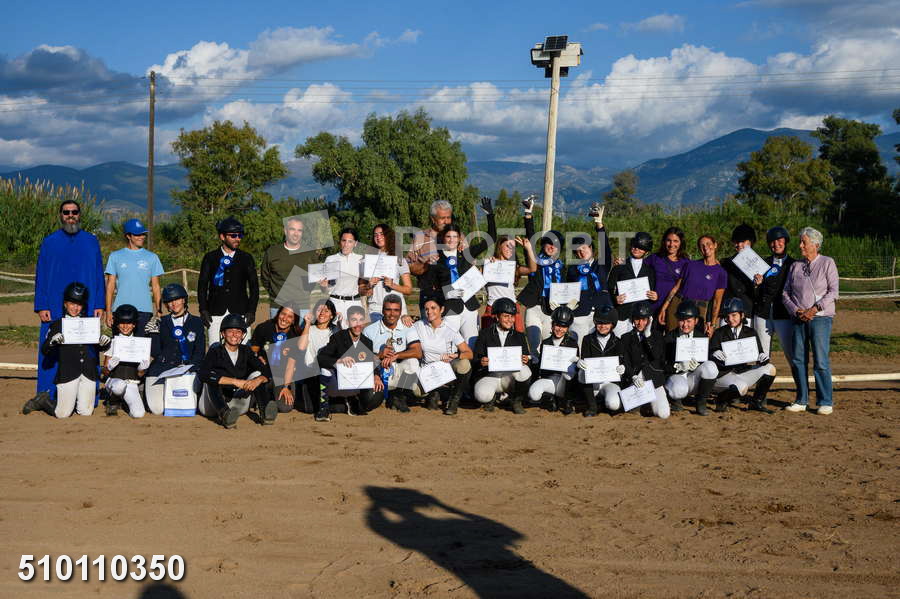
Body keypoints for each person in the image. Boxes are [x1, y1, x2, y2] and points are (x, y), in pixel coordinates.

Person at [31, 199, 105, 408]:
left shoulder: (91, 241)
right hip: (55, 306)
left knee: (89, 349)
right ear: (60, 215)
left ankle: (88, 396)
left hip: (86, 306)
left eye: (74, 212)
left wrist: (99, 303)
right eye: (66, 212)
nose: (70, 216)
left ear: (80, 214)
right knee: (52, 347)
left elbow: (98, 274)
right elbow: (41, 275)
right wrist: (42, 305)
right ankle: (46, 393)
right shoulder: (49, 242)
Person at [24, 282, 111, 418]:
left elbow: (98, 346)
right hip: (68, 372)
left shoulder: (90, 324)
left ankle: (75, 400)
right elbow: (44, 350)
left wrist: (104, 343)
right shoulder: (58, 324)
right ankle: (43, 400)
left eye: (79, 304)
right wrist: (52, 342)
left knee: (86, 412)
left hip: (88, 372)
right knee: (63, 414)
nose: (75, 308)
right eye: (72, 304)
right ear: (65, 304)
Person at [782, 227, 838, 415]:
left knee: (820, 360)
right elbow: (785, 293)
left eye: (804, 242)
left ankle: (825, 401)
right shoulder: (795, 266)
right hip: (798, 319)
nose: (800, 245)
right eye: (801, 242)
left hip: (821, 318)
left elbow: (833, 291)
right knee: (798, 359)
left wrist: (814, 309)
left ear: (815, 245)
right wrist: (796, 310)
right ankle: (801, 399)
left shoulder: (828, 263)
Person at [198, 313, 276, 428]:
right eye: (230, 331)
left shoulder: (246, 351)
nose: (234, 335)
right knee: (212, 377)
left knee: (258, 374)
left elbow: (266, 370)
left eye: (238, 331)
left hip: (237, 403)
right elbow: (203, 374)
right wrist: (234, 381)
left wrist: (258, 380)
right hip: (212, 405)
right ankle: (224, 414)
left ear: (243, 335)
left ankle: (265, 412)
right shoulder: (215, 351)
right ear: (223, 333)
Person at [197, 217, 259, 345]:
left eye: (240, 235)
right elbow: (202, 286)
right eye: (233, 235)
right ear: (222, 236)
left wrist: (251, 311)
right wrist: (203, 309)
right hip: (215, 313)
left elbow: (254, 287)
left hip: (241, 312)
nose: (238, 239)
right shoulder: (210, 258)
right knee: (215, 349)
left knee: (243, 350)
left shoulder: (246, 258)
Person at [145, 283, 205, 415]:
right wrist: (153, 334)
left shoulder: (197, 322)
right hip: (162, 369)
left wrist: (190, 368)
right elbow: (156, 353)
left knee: (189, 404)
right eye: (169, 301)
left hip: (188, 369)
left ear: (184, 299)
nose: (173, 304)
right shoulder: (161, 322)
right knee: (157, 409)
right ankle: (143, 388)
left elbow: (200, 351)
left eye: (177, 299)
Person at [709, 298, 777, 414]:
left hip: (742, 371)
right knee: (742, 388)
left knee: (770, 369)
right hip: (724, 375)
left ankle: (756, 402)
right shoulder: (719, 333)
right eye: (728, 316)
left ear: (742, 315)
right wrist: (713, 353)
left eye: (734, 315)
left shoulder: (751, 332)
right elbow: (709, 358)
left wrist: (763, 358)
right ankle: (721, 400)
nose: (730, 319)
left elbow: (759, 354)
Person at [316, 305, 383, 419]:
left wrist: (376, 375)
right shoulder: (337, 338)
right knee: (324, 370)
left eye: (360, 320)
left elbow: (372, 362)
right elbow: (321, 358)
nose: (357, 324)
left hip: (355, 384)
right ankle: (324, 407)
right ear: (347, 322)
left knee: (376, 393)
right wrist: (339, 361)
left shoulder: (367, 342)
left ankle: (352, 401)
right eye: (354, 320)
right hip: (337, 382)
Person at [519, 196, 565, 361]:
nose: (552, 247)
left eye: (555, 245)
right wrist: (528, 214)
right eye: (549, 243)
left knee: (548, 346)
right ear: (544, 244)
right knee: (534, 345)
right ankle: (533, 371)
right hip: (535, 306)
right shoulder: (535, 259)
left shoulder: (562, 266)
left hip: (552, 309)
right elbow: (530, 239)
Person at [411, 296, 473, 415]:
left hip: (446, 370)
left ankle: (454, 400)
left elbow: (469, 353)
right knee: (415, 391)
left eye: (433, 308)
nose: (429, 311)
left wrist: (456, 355)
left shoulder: (450, 328)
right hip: (427, 371)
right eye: (426, 309)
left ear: (442, 309)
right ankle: (434, 392)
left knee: (464, 364)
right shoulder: (418, 325)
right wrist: (404, 317)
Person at [363, 294, 423, 413]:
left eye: (396, 310)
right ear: (382, 310)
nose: (392, 314)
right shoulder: (369, 330)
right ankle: (385, 395)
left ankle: (398, 396)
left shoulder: (408, 327)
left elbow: (417, 352)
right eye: (388, 310)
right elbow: (363, 359)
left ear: (400, 312)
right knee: (371, 401)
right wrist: (380, 356)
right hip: (378, 373)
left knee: (413, 362)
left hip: (398, 370)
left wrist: (396, 355)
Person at [471, 297, 532, 414]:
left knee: (525, 371)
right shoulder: (485, 334)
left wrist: (526, 360)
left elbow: (528, 358)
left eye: (512, 316)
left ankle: (516, 400)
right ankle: (492, 398)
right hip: (490, 375)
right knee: (482, 395)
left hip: (508, 378)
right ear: (497, 317)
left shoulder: (519, 336)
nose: (510, 320)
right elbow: (475, 359)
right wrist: (481, 361)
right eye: (506, 316)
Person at [104, 217, 164, 335]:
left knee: (142, 345)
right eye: (137, 234)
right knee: (120, 345)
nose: (141, 237)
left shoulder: (152, 257)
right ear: (128, 236)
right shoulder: (115, 256)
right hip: (120, 310)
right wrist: (109, 311)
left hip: (144, 311)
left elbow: (156, 287)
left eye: (143, 234)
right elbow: (110, 286)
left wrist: (159, 310)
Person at [659, 235, 727, 336]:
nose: (705, 247)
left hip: (700, 310)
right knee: (672, 339)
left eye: (708, 244)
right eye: (702, 245)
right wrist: (664, 308)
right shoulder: (690, 265)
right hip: (678, 305)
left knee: (697, 342)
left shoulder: (721, 272)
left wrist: (712, 325)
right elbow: (676, 288)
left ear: (715, 245)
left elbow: (717, 302)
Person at [282, 299, 340, 418]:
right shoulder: (309, 329)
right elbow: (301, 347)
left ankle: (332, 404)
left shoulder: (335, 331)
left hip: (330, 374)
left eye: (326, 311)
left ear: (332, 315)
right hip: (311, 373)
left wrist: (340, 325)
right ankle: (331, 405)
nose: (322, 313)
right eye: (319, 310)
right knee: (308, 409)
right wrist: (307, 324)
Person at [565, 203, 614, 341]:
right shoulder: (573, 269)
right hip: (580, 314)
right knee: (580, 347)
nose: (582, 252)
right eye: (578, 251)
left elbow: (605, 247)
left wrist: (599, 224)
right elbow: (568, 289)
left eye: (584, 248)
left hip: (601, 313)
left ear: (591, 248)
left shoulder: (602, 264)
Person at [663, 300, 719, 416]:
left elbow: (705, 360)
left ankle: (701, 401)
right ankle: (675, 400)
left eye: (689, 321)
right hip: (676, 377)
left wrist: (699, 363)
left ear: (696, 321)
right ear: (677, 320)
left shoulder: (701, 338)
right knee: (678, 390)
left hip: (693, 378)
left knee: (711, 366)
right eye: (682, 320)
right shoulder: (669, 338)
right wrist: (677, 366)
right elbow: (662, 365)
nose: (685, 325)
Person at [619, 301, 670, 419]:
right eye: (637, 319)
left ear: (649, 319)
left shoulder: (658, 336)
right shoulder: (625, 338)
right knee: (631, 411)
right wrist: (632, 376)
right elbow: (625, 361)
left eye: (644, 319)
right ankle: (642, 404)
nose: (640, 323)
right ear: (632, 319)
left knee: (663, 414)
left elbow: (657, 356)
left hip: (654, 379)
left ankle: (650, 402)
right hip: (636, 379)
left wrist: (648, 336)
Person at [578, 305, 630, 417]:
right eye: (599, 323)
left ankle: (603, 403)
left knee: (613, 404)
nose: (602, 326)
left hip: (609, 382)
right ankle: (592, 406)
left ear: (612, 325)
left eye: (606, 323)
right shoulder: (587, 339)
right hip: (593, 383)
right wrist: (581, 363)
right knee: (582, 373)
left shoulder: (618, 342)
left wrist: (622, 367)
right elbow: (586, 358)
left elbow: (622, 361)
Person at [260, 215, 318, 318]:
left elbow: (314, 278)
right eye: (292, 229)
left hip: (302, 307)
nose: (296, 233)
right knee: (277, 330)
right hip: (278, 306)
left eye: (299, 230)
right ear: (285, 231)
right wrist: (275, 293)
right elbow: (265, 277)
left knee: (302, 330)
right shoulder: (272, 252)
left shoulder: (310, 253)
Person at [249, 305, 301, 414]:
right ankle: (265, 395)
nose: (284, 318)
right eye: (283, 314)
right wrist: (257, 358)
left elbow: (290, 366)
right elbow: (252, 352)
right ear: (278, 314)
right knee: (249, 401)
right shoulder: (264, 327)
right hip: (263, 371)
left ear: (293, 321)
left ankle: (270, 396)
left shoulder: (295, 335)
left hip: (282, 375)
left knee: (286, 407)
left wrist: (286, 387)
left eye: (290, 316)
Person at [755, 226, 796, 361]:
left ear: (786, 241)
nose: (776, 244)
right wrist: (757, 284)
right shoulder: (763, 263)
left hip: (784, 314)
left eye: (779, 240)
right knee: (762, 356)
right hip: (763, 313)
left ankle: (798, 375)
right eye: (772, 241)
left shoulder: (794, 264)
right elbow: (755, 291)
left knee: (791, 353)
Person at [102, 304, 152, 418]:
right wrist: (109, 367)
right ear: (117, 324)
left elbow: (140, 375)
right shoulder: (113, 342)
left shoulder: (140, 344)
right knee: (119, 386)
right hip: (114, 381)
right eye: (122, 323)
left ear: (134, 324)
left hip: (131, 382)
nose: (125, 326)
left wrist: (142, 369)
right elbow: (104, 371)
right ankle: (113, 402)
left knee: (138, 414)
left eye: (129, 323)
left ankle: (124, 402)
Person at [527, 306, 579, 413]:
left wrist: (576, 362)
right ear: (552, 324)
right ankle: (549, 397)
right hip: (549, 379)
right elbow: (542, 368)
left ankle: (567, 400)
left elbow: (574, 373)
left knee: (569, 372)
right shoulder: (545, 343)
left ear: (568, 328)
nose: (560, 329)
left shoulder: (573, 344)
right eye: (558, 325)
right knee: (533, 394)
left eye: (564, 327)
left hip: (564, 381)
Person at [608, 232, 658, 337]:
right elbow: (609, 289)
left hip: (641, 316)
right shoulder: (619, 267)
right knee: (620, 341)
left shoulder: (650, 271)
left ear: (646, 251)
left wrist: (655, 297)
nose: (636, 249)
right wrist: (615, 299)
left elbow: (652, 291)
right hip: (622, 314)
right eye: (635, 245)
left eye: (641, 247)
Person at [364, 223, 415, 324]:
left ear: (388, 236)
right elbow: (365, 291)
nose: (378, 237)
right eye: (375, 235)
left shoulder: (399, 258)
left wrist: (393, 285)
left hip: (395, 308)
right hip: (375, 309)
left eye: (381, 234)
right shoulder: (369, 258)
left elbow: (409, 290)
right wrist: (369, 285)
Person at [320, 227, 365, 327]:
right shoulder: (330, 259)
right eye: (344, 240)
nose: (346, 244)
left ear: (355, 243)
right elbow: (325, 288)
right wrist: (323, 286)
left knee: (354, 334)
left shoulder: (361, 259)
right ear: (340, 242)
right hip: (335, 303)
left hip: (354, 303)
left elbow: (365, 284)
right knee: (335, 334)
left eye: (350, 241)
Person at [646, 227, 690, 327]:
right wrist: (621, 263)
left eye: (675, 241)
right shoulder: (655, 258)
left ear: (681, 243)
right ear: (664, 241)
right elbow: (637, 269)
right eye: (668, 240)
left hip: (675, 309)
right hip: (654, 307)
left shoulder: (686, 262)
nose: (671, 244)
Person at [720, 224, 760, 329]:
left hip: (748, 314)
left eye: (743, 241)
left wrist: (757, 285)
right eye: (736, 242)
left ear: (751, 242)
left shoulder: (761, 264)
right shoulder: (725, 263)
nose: (739, 245)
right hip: (727, 314)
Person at [406, 199, 456, 278]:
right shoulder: (420, 237)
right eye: (442, 218)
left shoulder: (459, 236)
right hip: (430, 285)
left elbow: (469, 262)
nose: (446, 222)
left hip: (459, 285)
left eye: (448, 218)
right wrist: (425, 265)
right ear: (433, 219)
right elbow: (409, 268)